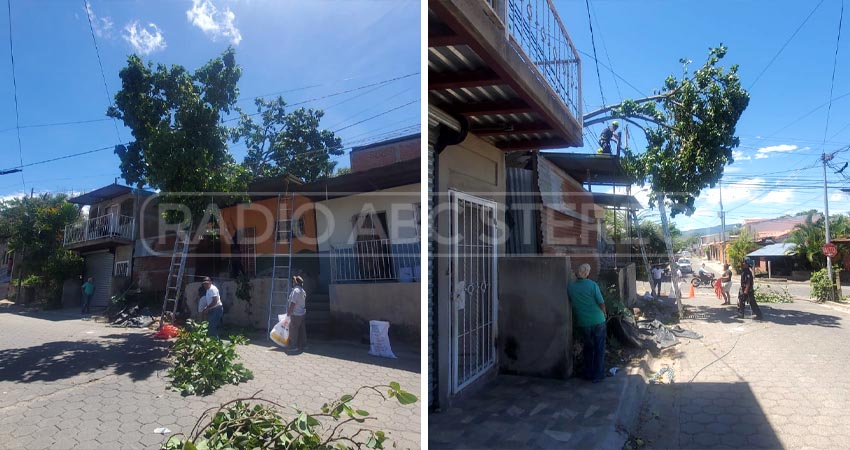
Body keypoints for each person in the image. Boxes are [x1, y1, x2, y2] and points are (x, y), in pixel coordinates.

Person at [568, 264, 607, 383]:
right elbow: (601, 302)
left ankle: (588, 374)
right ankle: (598, 375)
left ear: (576, 273)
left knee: (588, 348)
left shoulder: (570, 287)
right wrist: (604, 314)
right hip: (598, 320)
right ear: (587, 273)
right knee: (599, 348)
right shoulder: (592, 285)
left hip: (583, 322)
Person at [287, 276, 307, 352]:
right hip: (302, 313)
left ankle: (294, 346)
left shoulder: (296, 291)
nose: (292, 282)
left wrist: (289, 312)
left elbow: (293, 303)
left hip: (296, 314)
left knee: (293, 331)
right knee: (302, 331)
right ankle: (304, 345)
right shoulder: (303, 291)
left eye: (293, 281)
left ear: (296, 282)